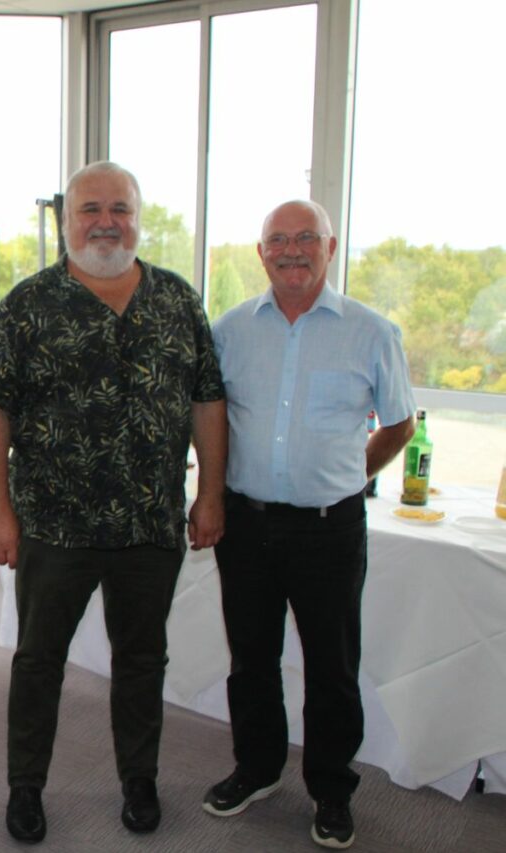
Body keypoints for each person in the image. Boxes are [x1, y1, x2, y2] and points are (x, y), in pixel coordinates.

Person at [0, 161, 227, 843]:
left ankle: (139, 780)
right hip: (54, 525)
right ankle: (26, 787)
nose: (105, 222)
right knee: (38, 661)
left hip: (150, 524)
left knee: (142, 661)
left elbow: (207, 401)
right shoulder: (28, 304)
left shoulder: (177, 300)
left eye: (120, 209)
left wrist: (210, 494)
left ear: (138, 218)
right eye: (90, 209)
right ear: (66, 220)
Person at [203, 200, 415, 850]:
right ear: (261, 252)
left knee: (332, 665)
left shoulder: (372, 332)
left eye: (305, 238)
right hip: (247, 525)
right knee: (251, 658)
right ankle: (257, 768)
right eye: (278, 240)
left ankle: (331, 789)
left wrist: (351, 472)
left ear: (330, 246)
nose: (291, 250)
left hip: (330, 530)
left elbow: (399, 423)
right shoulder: (230, 330)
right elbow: (211, 417)